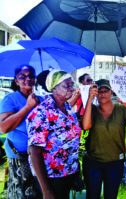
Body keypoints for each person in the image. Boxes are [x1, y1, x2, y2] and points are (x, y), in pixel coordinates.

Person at [81, 79, 126, 199]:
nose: (103, 94)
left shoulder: (121, 110)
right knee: (92, 196)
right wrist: (90, 99)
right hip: (93, 162)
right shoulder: (93, 110)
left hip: (115, 163)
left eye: (106, 90)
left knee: (111, 196)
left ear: (111, 92)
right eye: (99, 91)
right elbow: (85, 126)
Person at [26, 70, 81, 199]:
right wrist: (46, 191)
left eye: (72, 85)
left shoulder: (67, 108)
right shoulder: (42, 113)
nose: (71, 89)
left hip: (67, 172)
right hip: (51, 177)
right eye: (66, 85)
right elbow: (34, 152)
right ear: (54, 88)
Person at [0, 65, 43, 198]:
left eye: (31, 75)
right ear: (16, 81)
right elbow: (3, 128)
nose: (28, 78)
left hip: (40, 156)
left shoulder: (41, 99)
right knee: (20, 194)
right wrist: (28, 106)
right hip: (20, 158)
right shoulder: (10, 99)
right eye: (22, 76)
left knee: (38, 192)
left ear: (35, 79)